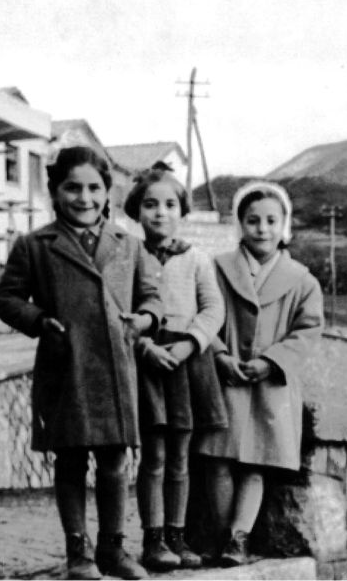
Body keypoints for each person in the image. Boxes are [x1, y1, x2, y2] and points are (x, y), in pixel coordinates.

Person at [0, 146, 162, 580]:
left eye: (94, 188)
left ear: (108, 193)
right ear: (54, 192)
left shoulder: (130, 245)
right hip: (64, 368)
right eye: (72, 187)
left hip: (114, 368)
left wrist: (143, 320)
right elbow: (5, 298)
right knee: (69, 461)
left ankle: (113, 550)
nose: (83, 198)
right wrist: (39, 321)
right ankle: (78, 553)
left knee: (114, 461)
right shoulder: (35, 245)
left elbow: (152, 300)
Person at [195, 181, 323, 566]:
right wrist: (219, 355)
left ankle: (239, 538)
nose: (262, 229)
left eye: (271, 220)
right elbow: (201, 314)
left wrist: (272, 360)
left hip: (270, 386)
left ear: (284, 225)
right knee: (218, 459)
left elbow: (308, 331)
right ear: (240, 224)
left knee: (255, 464)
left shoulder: (302, 279)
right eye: (253, 220)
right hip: (225, 380)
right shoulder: (215, 269)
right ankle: (218, 536)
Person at [123, 169, 226, 571]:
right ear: (136, 211)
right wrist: (144, 346)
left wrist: (188, 345)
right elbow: (121, 310)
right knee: (154, 456)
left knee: (181, 456)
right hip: (148, 362)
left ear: (182, 211)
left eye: (169, 205)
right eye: (150, 204)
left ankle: (178, 535)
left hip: (187, 361)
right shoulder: (128, 255)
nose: (160, 213)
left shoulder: (196, 258)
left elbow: (213, 308)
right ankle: (152, 539)